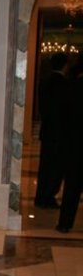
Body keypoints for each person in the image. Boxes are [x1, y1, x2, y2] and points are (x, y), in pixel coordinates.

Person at [34, 51, 71, 209]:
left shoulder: (44, 82)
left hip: (47, 131)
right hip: (60, 133)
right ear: (65, 66)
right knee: (56, 167)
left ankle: (41, 195)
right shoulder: (65, 84)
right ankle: (48, 196)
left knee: (45, 166)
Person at [56, 57, 83, 233]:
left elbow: (62, 118)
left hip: (73, 145)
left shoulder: (70, 87)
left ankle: (65, 224)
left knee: (71, 187)